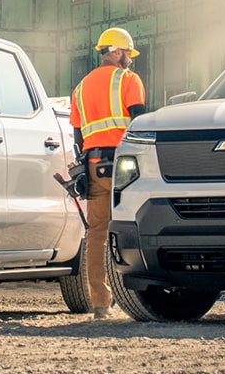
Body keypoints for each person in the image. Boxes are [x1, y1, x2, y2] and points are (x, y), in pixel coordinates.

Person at [68, 27, 146, 320]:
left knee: (96, 234)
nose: (129, 59)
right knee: (136, 225)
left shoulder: (80, 88)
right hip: (125, 166)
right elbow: (139, 122)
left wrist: (84, 165)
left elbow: (77, 134)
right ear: (115, 52)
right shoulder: (127, 80)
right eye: (127, 53)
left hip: (92, 165)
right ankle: (138, 298)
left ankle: (101, 304)